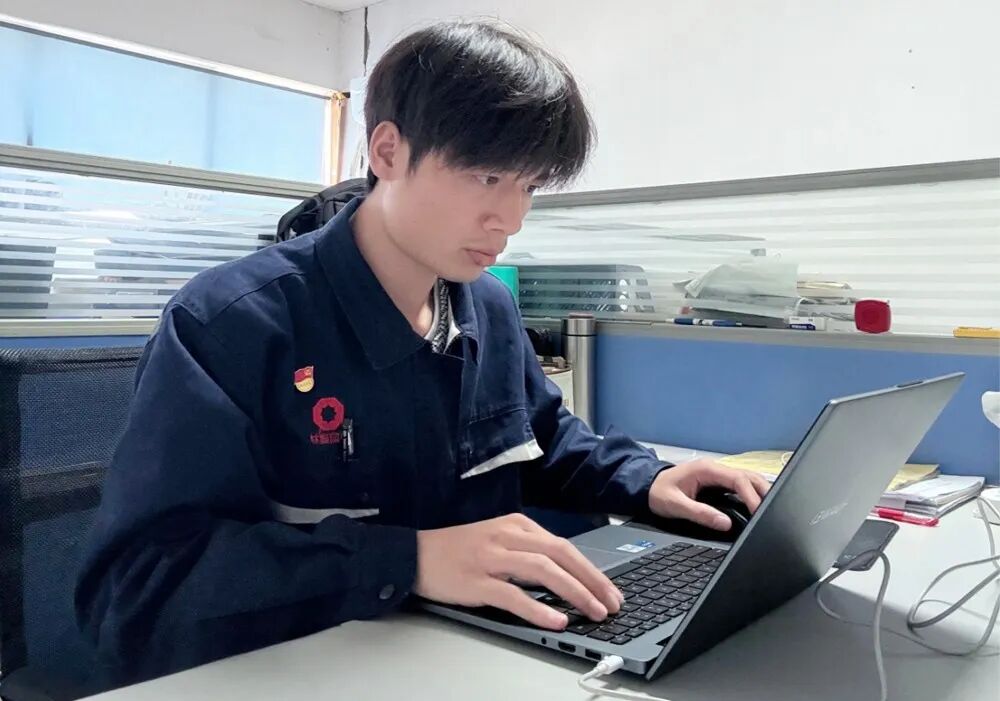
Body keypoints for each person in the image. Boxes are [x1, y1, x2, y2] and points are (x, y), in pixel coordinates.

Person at [75, 20, 769, 686]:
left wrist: (647, 480)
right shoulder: (232, 323)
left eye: (528, 185)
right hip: (297, 672)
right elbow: (138, 584)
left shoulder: (486, 306)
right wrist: (408, 559)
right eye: (486, 176)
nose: (511, 218)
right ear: (387, 152)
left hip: (460, 659)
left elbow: (541, 442)